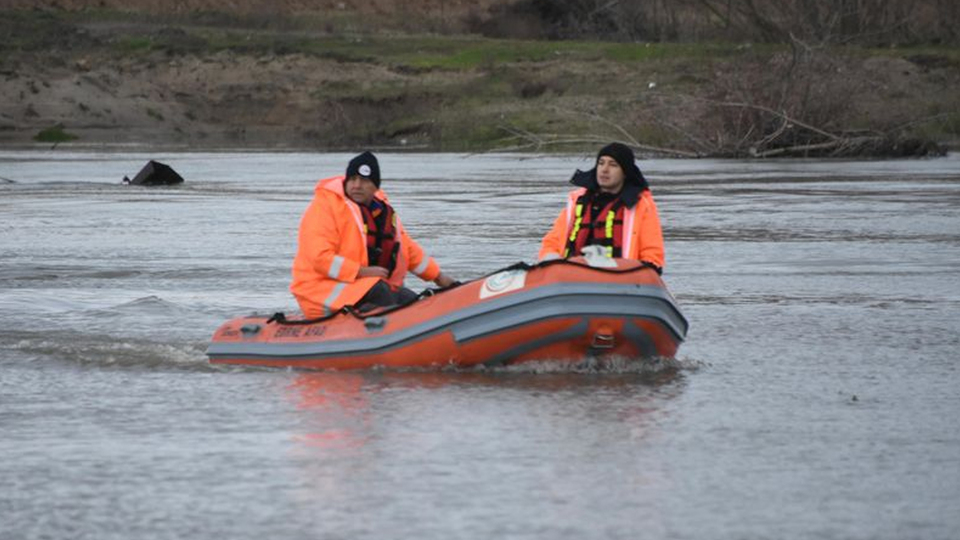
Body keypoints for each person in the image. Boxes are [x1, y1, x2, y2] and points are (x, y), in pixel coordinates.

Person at [291, 151, 456, 317]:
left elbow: (407, 250)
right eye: (353, 179)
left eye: (364, 181)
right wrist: (362, 271)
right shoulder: (325, 208)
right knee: (381, 291)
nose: (356, 185)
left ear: (375, 187)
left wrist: (438, 276)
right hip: (321, 290)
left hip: (363, 286)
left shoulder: (381, 212)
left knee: (407, 298)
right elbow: (319, 258)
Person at [538, 142, 665, 273]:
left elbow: (652, 252)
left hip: (621, 277)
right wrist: (550, 261)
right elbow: (551, 243)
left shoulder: (640, 205)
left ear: (625, 172)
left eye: (613, 165)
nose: (604, 169)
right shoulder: (578, 201)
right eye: (601, 163)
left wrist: (645, 273)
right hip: (571, 276)